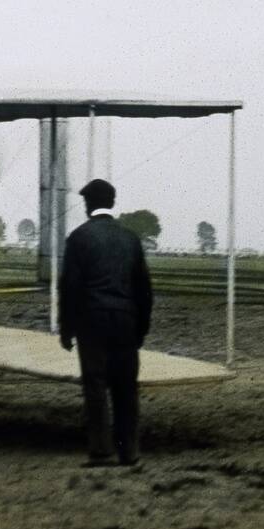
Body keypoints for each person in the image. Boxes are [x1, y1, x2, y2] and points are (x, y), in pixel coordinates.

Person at [59, 178, 153, 468]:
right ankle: (129, 452)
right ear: (112, 203)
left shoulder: (78, 238)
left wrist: (67, 328)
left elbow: (70, 288)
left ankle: (101, 451)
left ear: (87, 205)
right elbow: (145, 291)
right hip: (125, 322)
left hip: (92, 321)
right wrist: (140, 330)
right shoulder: (130, 239)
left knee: (96, 385)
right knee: (126, 386)